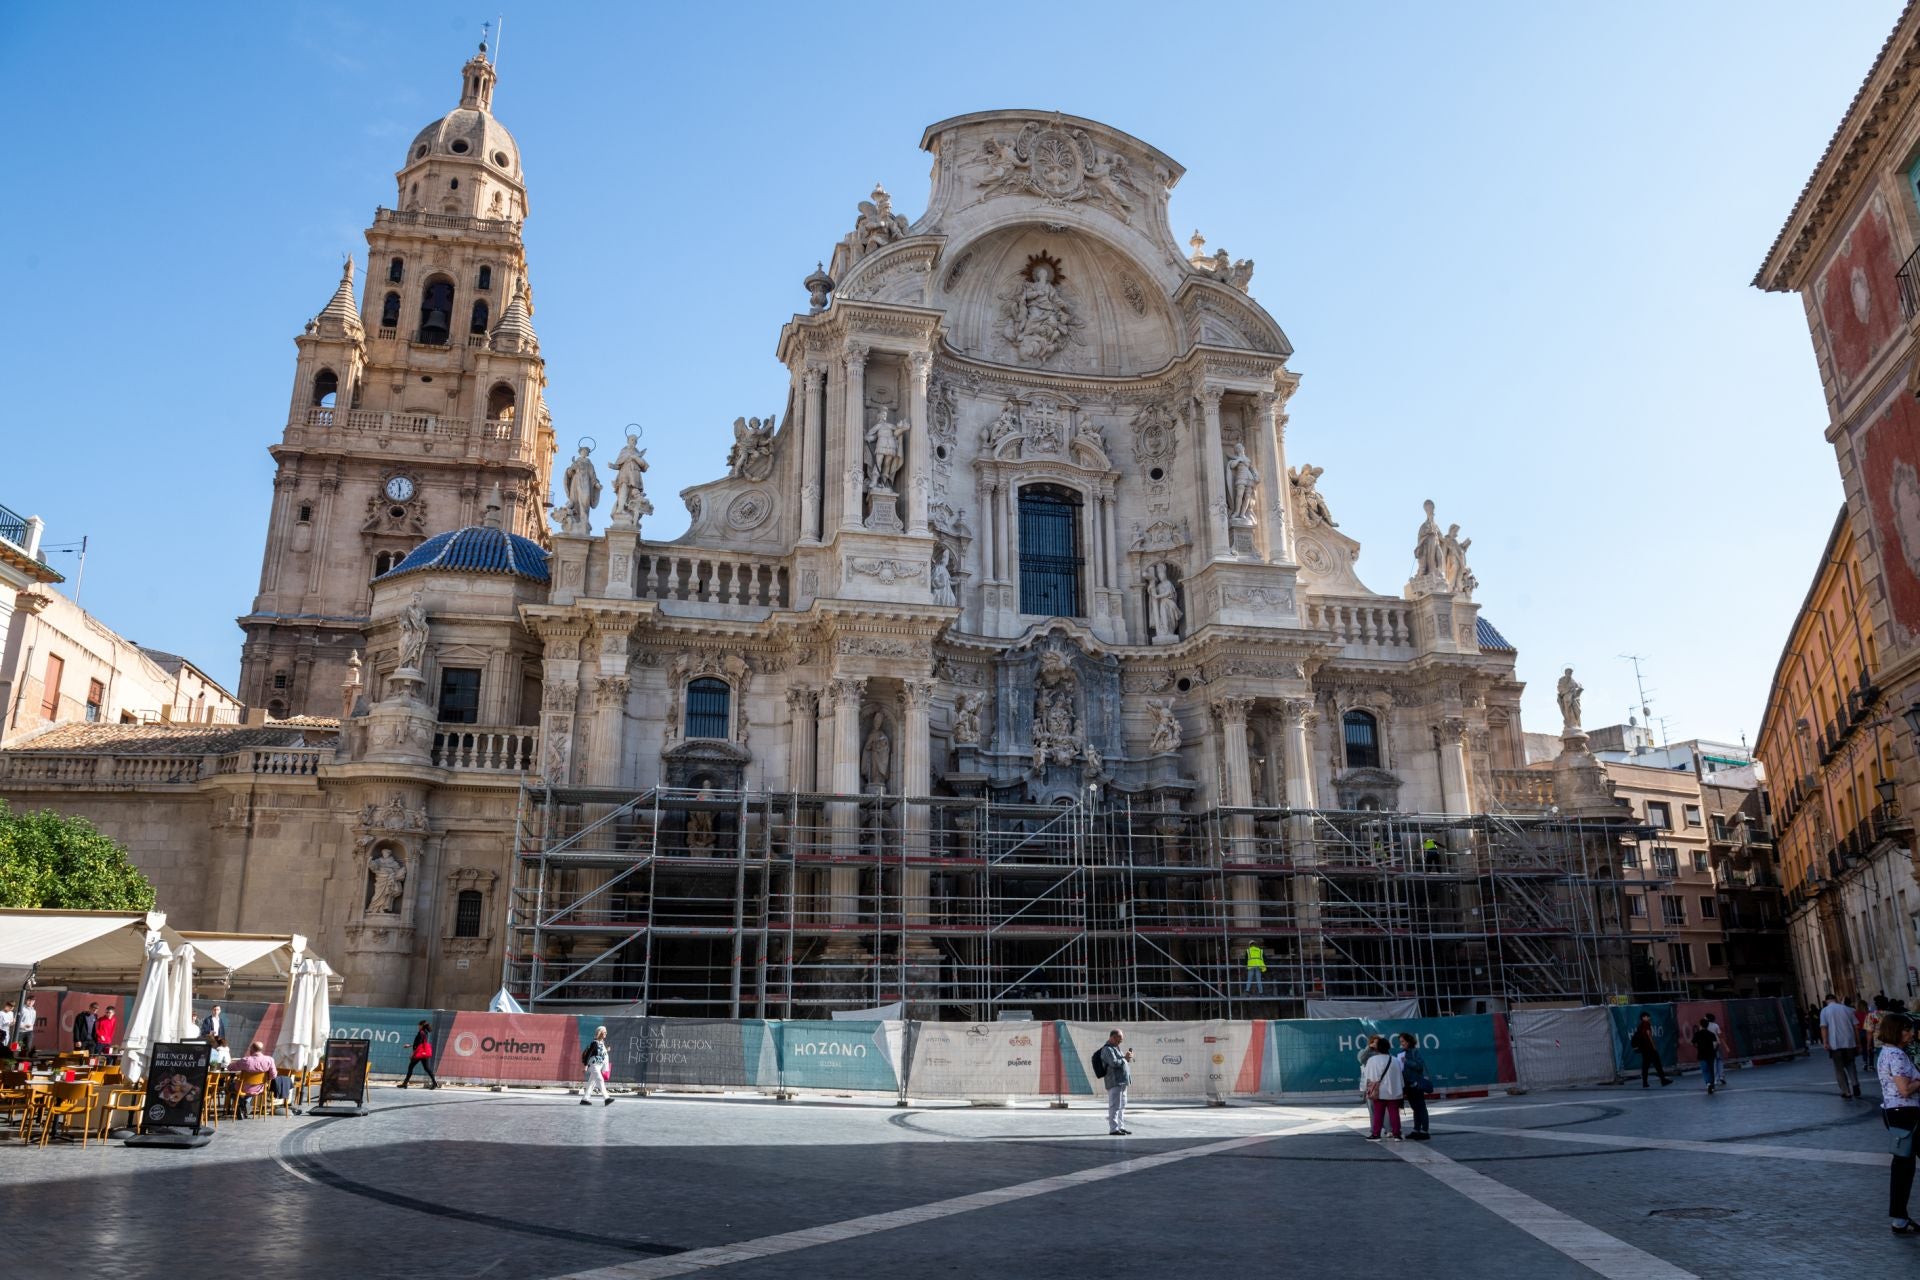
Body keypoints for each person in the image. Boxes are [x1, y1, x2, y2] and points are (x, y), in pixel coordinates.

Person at [1875, 1013, 1920, 1234]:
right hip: (1908, 1114)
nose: (1911, 1033)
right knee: (1903, 1166)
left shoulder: (1885, 1053)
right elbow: (1904, 1089)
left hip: (1895, 1113)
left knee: (1903, 1166)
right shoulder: (1897, 1056)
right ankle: (1899, 1218)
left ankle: (1899, 1219)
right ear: (1895, 1031)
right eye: (1906, 1030)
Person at [1362, 1034, 1405, 1140]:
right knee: (1394, 1113)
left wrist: (1365, 1089)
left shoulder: (1372, 1060)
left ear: (1377, 1048)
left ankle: (1376, 1134)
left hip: (1379, 1092)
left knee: (1378, 1113)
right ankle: (1397, 1135)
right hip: (1393, 1092)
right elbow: (1399, 1076)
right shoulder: (1394, 1060)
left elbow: (1368, 1077)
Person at [1822, 993, 1864, 1098]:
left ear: (1826, 1001)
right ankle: (1855, 1084)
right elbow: (1856, 1027)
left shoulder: (1825, 1011)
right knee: (1851, 1064)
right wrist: (1858, 1043)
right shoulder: (1848, 1009)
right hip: (1849, 1042)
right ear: (1835, 999)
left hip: (1835, 1043)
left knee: (1839, 1068)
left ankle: (1846, 1091)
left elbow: (1824, 1027)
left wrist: (1825, 1042)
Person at [1094, 1030, 1133, 1136]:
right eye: (1119, 1040)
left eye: (1121, 1040)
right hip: (1114, 1081)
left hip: (1121, 1081)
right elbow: (1114, 1063)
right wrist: (1125, 1059)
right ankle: (1113, 1129)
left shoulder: (1115, 1047)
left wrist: (1125, 1059)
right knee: (1114, 1105)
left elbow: (1120, 1061)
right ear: (1113, 1037)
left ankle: (1121, 1127)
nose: (1120, 1042)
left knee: (1122, 1105)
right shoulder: (1107, 1049)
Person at [1396, 1032, 1432, 1140]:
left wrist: (1406, 1061)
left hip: (1416, 1084)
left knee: (1421, 1107)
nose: (1401, 1043)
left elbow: (1419, 1066)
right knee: (1415, 1108)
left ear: (1408, 1041)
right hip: (1407, 1084)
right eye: (1400, 1042)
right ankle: (1416, 1129)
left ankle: (1424, 1131)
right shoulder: (1401, 1053)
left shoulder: (1415, 1052)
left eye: (1403, 1041)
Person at [235, 1041, 277, 1118]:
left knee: (230, 1086)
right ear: (261, 1049)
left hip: (243, 1088)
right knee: (250, 1089)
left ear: (252, 1049)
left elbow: (230, 1067)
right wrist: (265, 1079)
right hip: (260, 1088)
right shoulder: (270, 1060)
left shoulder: (246, 1060)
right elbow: (273, 1075)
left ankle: (239, 1105)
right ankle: (244, 1103)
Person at [1630, 1012, 1671, 1087]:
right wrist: (1653, 1045)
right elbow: (1649, 1035)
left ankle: (1645, 1082)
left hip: (1644, 1049)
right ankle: (1663, 1080)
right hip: (1649, 1047)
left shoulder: (1640, 1026)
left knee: (1645, 1065)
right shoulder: (1646, 1024)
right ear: (1643, 1018)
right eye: (1647, 1016)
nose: (1649, 1018)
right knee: (1657, 1064)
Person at [400, 1020, 438, 1089]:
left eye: (419, 1025)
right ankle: (434, 1083)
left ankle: (405, 1083)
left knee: (410, 1067)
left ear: (421, 1025)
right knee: (426, 1068)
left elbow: (418, 1045)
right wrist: (411, 1046)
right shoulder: (425, 1033)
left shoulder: (421, 1033)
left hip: (419, 1053)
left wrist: (412, 1053)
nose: (418, 1026)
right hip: (424, 1053)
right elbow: (421, 1043)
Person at [582, 1025, 613, 1106]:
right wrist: (585, 1066)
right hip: (594, 1065)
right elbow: (588, 1054)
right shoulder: (594, 1043)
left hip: (599, 1065)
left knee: (591, 1083)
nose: (606, 1033)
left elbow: (601, 1054)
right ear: (600, 1033)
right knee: (600, 1080)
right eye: (604, 1032)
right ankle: (606, 1098)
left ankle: (585, 1099)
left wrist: (607, 1050)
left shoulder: (602, 1043)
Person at [1692, 1017, 1720, 1096]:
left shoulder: (1697, 1034)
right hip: (1711, 1054)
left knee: (1705, 1070)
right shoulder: (1711, 1034)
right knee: (1711, 1070)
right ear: (1707, 1025)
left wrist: (1698, 1047)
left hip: (1701, 1054)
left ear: (1700, 1025)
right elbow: (1716, 1043)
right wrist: (1714, 1050)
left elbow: (1693, 1043)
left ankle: (1708, 1083)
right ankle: (1712, 1085)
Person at [1704, 1013, 1727, 1087]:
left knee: (1713, 1062)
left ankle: (1715, 1079)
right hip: (1717, 1044)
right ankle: (1721, 1076)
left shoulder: (1705, 1026)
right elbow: (1720, 1035)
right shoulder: (1716, 1025)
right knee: (1719, 1060)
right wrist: (1725, 1045)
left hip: (1709, 1046)